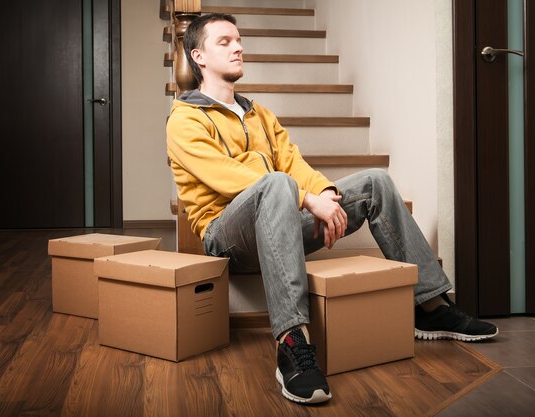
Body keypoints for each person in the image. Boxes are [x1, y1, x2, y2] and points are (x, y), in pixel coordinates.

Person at [166, 13, 498, 405]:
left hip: (280, 221)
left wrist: (323, 192)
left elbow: (294, 163)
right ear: (198, 56)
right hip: (226, 236)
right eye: (225, 42)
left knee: (375, 181)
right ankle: (293, 341)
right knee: (276, 183)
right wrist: (306, 200)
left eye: (239, 40)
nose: (238, 47)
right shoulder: (183, 119)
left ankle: (430, 305)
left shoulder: (259, 113)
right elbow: (228, 177)